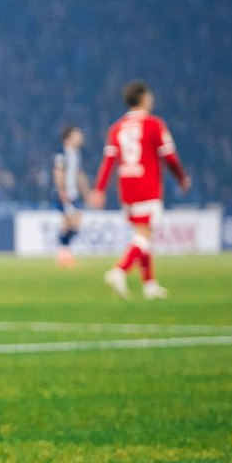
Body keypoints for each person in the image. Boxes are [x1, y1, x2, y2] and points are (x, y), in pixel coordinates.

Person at [92, 81, 189, 300]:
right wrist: (182, 178)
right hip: (147, 185)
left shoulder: (116, 128)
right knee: (145, 235)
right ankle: (120, 270)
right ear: (144, 98)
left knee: (142, 234)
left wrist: (99, 189)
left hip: (126, 186)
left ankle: (149, 284)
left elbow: (109, 161)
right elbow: (170, 157)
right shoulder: (154, 124)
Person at [52, 125, 89, 269]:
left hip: (73, 194)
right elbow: (58, 172)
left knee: (71, 223)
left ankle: (63, 254)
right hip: (65, 194)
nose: (81, 137)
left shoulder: (76, 154)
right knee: (71, 222)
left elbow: (79, 175)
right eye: (77, 134)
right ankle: (64, 255)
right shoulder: (62, 153)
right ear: (69, 137)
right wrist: (62, 191)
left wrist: (86, 192)